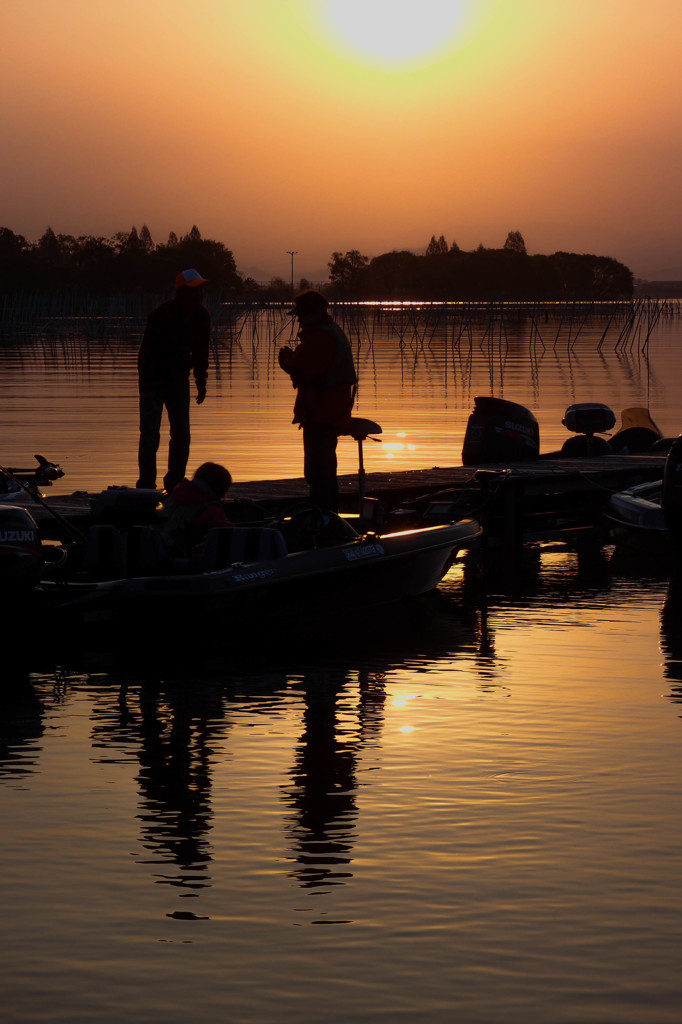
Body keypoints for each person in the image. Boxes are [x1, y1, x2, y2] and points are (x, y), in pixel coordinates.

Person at [278, 289, 357, 512]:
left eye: (303, 314)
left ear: (318, 312)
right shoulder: (331, 333)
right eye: (299, 314)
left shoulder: (319, 339)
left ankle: (324, 518)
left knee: (317, 471)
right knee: (325, 469)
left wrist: (286, 360)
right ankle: (327, 514)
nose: (299, 319)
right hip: (330, 412)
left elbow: (302, 369)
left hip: (321, 413)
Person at [136, 268, 211, 492]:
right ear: (182, 291)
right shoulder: (161, 314)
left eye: (201, 289)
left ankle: (175, 484)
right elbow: (145, 355)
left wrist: (201, 380)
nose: (199, 294)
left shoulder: (201, 316)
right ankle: (147, 486)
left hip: (179, 382)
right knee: (150, 434)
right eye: (195, 289)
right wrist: (148, 390)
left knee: (181, 434)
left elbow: (201, 352)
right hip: (153, 381)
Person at [160, 461, 233, 555]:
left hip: (160, 548)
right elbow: (229, 532)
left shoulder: (171, 499)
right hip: (181, 555)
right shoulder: (210, 509)